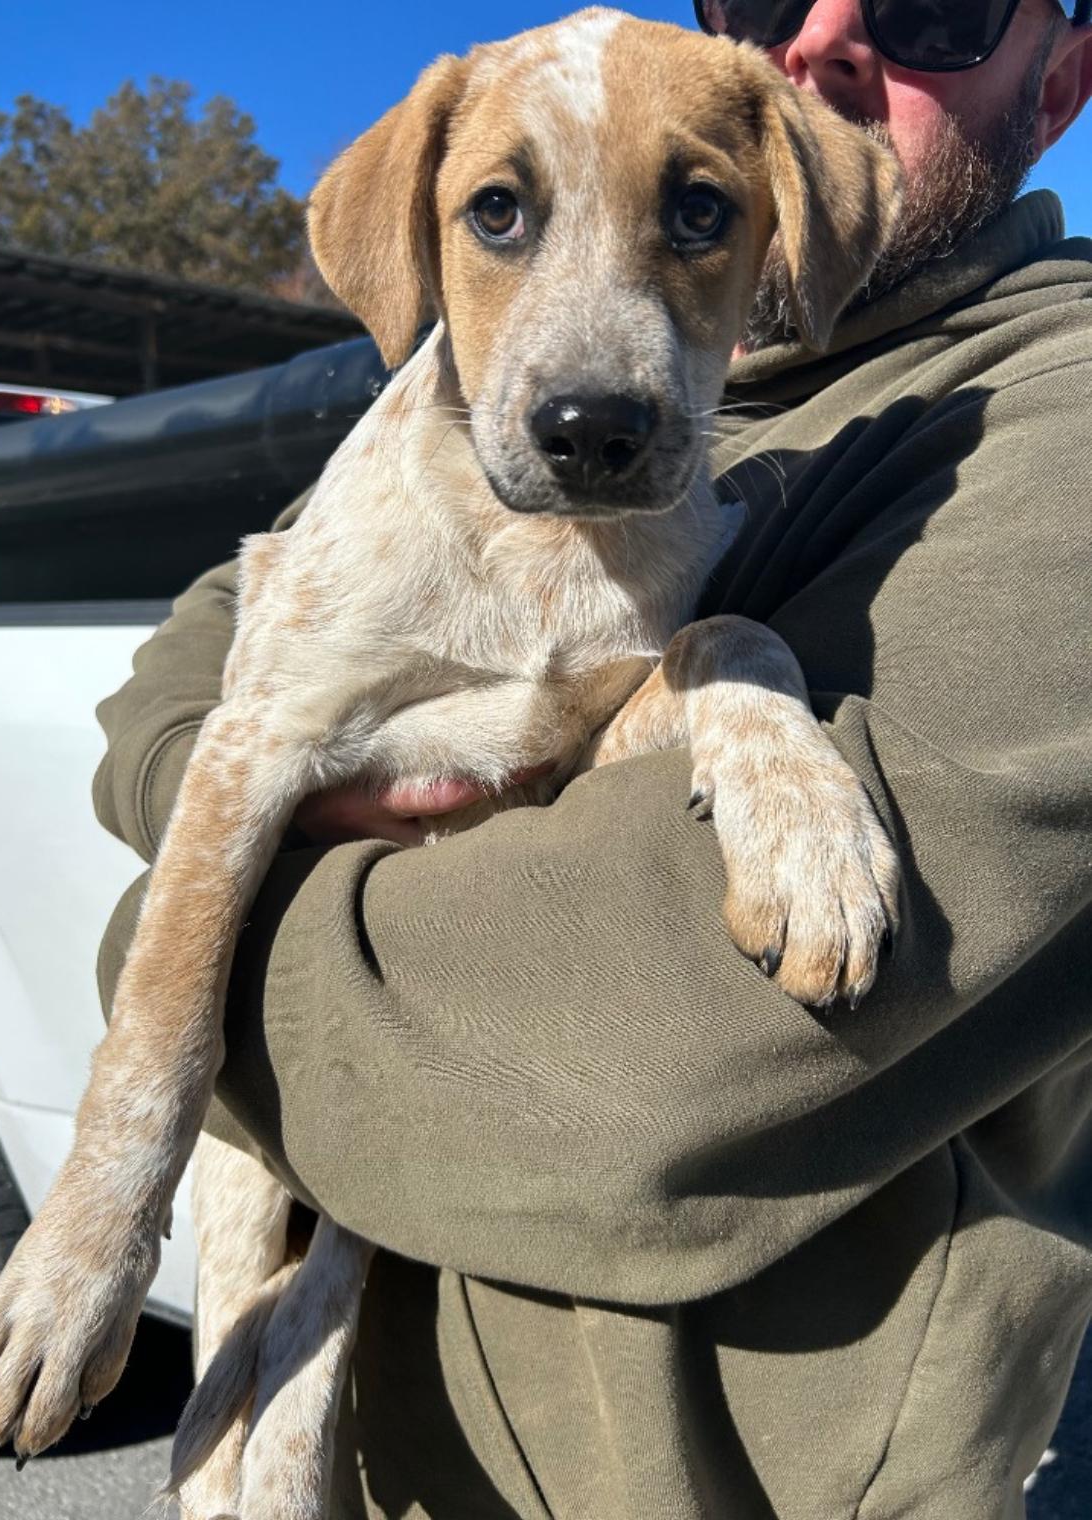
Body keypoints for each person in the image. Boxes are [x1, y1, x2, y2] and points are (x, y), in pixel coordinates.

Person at [93, 2, 1092, 1515]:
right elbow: (190, 670)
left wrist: (191, 936)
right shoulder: (584, 408)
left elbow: (647, 1065)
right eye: (760, 4)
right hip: (388, 1445)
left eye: (932, 7)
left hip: (716, 1479)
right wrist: (247, 777)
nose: (818, 45)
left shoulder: (1040, 411)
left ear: (1065, 75)